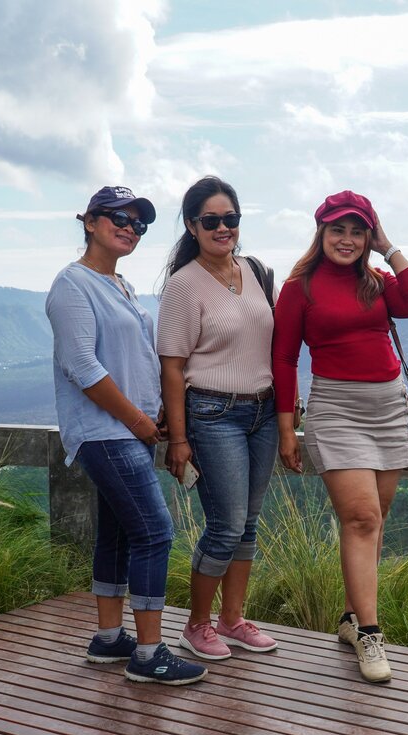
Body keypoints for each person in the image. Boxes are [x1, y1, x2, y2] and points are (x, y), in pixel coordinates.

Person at [45, 186, 206, 686]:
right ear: (89, 221)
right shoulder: (72, 284)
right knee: (155, 532)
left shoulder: (121, 286)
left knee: (116, 532)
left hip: (128, 431)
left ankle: (111, 638)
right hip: (105, 432)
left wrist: (155, 416)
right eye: (118, 217)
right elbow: (81, 365)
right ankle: (150, 653)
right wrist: (139, 421)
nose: (130, 228)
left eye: (139, 224)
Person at [272, 190, 408, 683]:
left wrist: (388, 246)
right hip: (336, 409)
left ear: (368, 236)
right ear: (320, 232)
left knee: (374, 519)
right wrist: (287, 428)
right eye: (337, 229)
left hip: (388, 408)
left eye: (357, 230)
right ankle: (370, 634)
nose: (346, 239)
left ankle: (348, 618)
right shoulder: (300, 288)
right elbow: (283, 359)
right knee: (362, 518)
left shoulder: (378, 281)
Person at [157, 176, 280, 661]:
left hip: (263, 411)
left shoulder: (255, 271)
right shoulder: (184, 284)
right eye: (211, 220)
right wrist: (179, 439)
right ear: (192, 226)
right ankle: (197, 624)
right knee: (225, 524)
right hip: (212, 413)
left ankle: (232, 620)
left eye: (231, 218)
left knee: (248, 523)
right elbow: (171, 365)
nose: (223, 227)